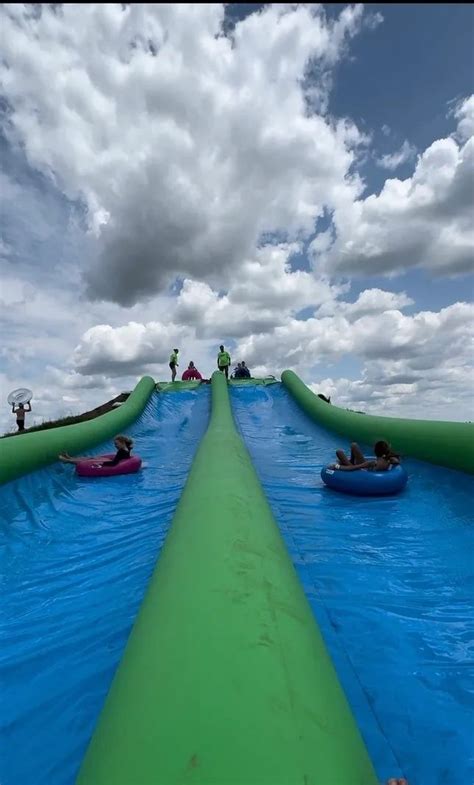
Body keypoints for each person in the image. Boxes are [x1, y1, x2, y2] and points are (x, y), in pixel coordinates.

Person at [59, 435, 133, 467]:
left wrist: (101, 463)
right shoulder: (127, 448)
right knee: (91, 458)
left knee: (88, 461)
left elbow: (114, 463)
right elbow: (129, 453)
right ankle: (70, 458)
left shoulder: (121, 451)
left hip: (110, 462)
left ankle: (68, 460)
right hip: (110, 460)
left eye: (116, 444)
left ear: (122, 442)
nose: (115, 445)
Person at [330, 440, 400, 472]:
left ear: (375, 451)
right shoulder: (388, 460)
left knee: (339, 452)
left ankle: (349, 462)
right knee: (354, 445)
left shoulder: (373, 463)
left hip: (360, 471)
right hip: (365, 467)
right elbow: (397, 461)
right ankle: (350, 461)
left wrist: (336, 466)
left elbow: (352, 468)